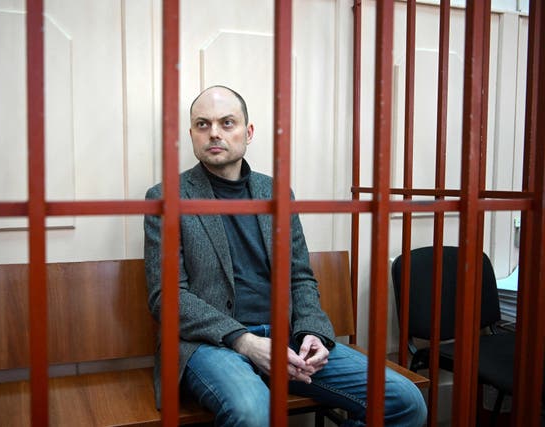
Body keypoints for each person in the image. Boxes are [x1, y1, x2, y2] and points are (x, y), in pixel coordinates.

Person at [144, 85, 427, 427]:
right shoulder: (166, 198)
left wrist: (314, 332)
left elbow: (300, 276)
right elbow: (167, 297)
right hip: (212, 345)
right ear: (191, 134)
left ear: (248, 133)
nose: (214, 132)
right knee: (252, 412)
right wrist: (244, 341)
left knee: (404, 400)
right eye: (202, 124)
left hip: (288, 337)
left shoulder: (277, 193)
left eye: (227, 122)